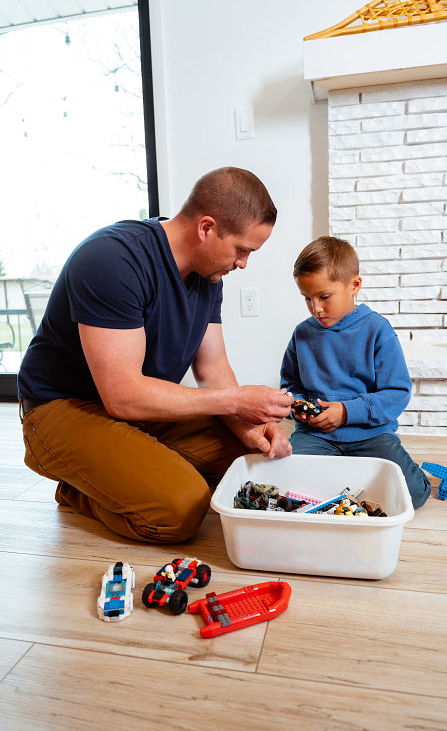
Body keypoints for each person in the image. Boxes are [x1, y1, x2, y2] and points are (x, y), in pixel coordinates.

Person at [18, 167, 293, 542]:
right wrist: (237, 400)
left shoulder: (208, 276)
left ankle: (131, 469)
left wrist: (249, 427)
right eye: (242, 249)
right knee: (179, 510)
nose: (243, 263)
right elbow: (123, 396)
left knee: (253, 466)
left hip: (140, 407)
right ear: (207, 228)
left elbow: (213, 370)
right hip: (63, 407)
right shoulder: (112, 260)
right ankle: (74, 488)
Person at [280, 236, 431, 509]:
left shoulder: (377, 330)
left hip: (370, 434)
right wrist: (298, 406)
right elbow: (290, 384)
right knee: (287, 491)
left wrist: (347, 412)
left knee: (414, 496)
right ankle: (342, 476)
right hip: (316, 436)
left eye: (324, 297)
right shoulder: (302, 334)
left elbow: (396, 393)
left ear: (354, 286)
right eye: (307, 299)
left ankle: (399, 470)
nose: (316, 308)